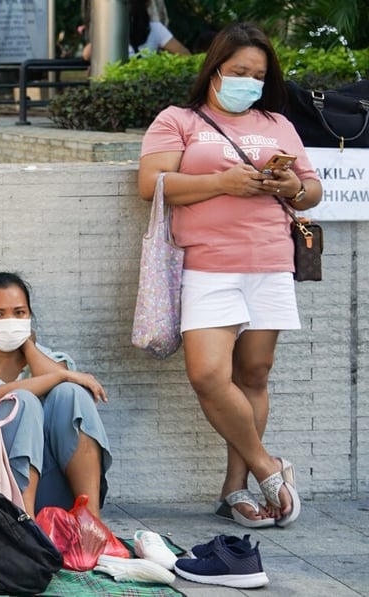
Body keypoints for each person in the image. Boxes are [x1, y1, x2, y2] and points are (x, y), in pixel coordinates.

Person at [138, 22, 322, 528]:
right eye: (240, 71)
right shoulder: (179, 120)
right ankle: (268, 467)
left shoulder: (277, 123)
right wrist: (222, 182)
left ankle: (235, 489)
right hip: (206, 264)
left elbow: (311, 191)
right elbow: (151, 183)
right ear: (215, 68)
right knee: (207, 375)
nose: (250, 82)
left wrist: (290, 185)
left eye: (259, 75)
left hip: (270, 261)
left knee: (254, 374)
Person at [0, 272, 112, 518]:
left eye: (19, 313)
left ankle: (90, 521)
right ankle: (25, 526)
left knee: (71, 393)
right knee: (21, 400)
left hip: (46, 488)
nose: (10, 321)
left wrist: (28, 346)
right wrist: (61, 375)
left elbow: (66, 385)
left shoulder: (50, 360)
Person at [82, 0, 188, 61]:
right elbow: (185, 55)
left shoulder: (110, 31)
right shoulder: (156, 29)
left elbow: (86, 55)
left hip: (116, 87)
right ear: (147, 4)